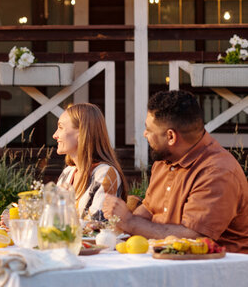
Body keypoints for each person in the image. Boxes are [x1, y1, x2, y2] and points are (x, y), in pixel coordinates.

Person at [103, 90, 248, 253]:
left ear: (171, 137)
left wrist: (129, 222)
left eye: (149, 130)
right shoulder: (165, 160)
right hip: (167, 261)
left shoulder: (218, 171)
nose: (145, 135)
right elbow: (149, 209)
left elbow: (194, 237)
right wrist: (116, 226)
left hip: (215, 270)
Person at [53, 103, 128, 221]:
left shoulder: (104, 174)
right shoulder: (67, 173)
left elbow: (96, 224)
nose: (55, 135)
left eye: (60, 127)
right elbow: (53, 219)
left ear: (81, 132)